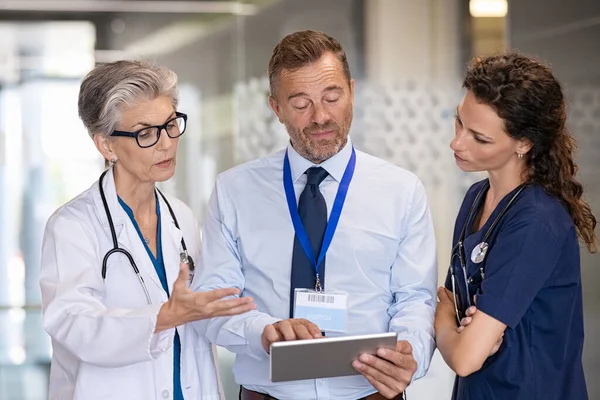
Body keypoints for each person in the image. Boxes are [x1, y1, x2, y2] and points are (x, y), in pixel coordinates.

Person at [192, 30, 438, 400]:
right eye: (301, 103)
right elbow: (213, 300)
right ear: (276, 108)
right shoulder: (234, 191)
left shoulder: (401, 191)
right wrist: (262, 330)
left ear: (351, 92)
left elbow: (415, 298)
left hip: (368, 393)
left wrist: (410, 352)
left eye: (332, 97)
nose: (320, 116)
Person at [39, 60, 256, 400]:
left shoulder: (181, 218)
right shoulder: (73, 226)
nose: (166, 143)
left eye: (170, 125)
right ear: (106, 145)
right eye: (145, 133)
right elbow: (73, 324)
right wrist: (163, 316)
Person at [435, 52, 597, 400]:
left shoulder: (536, 221)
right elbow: (448, 298)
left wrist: (444, 323)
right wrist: (452, 318)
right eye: (459, 123)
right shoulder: (478, 196)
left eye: (480, 138)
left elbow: (465, 358)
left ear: (524, 143)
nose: (457, 142)